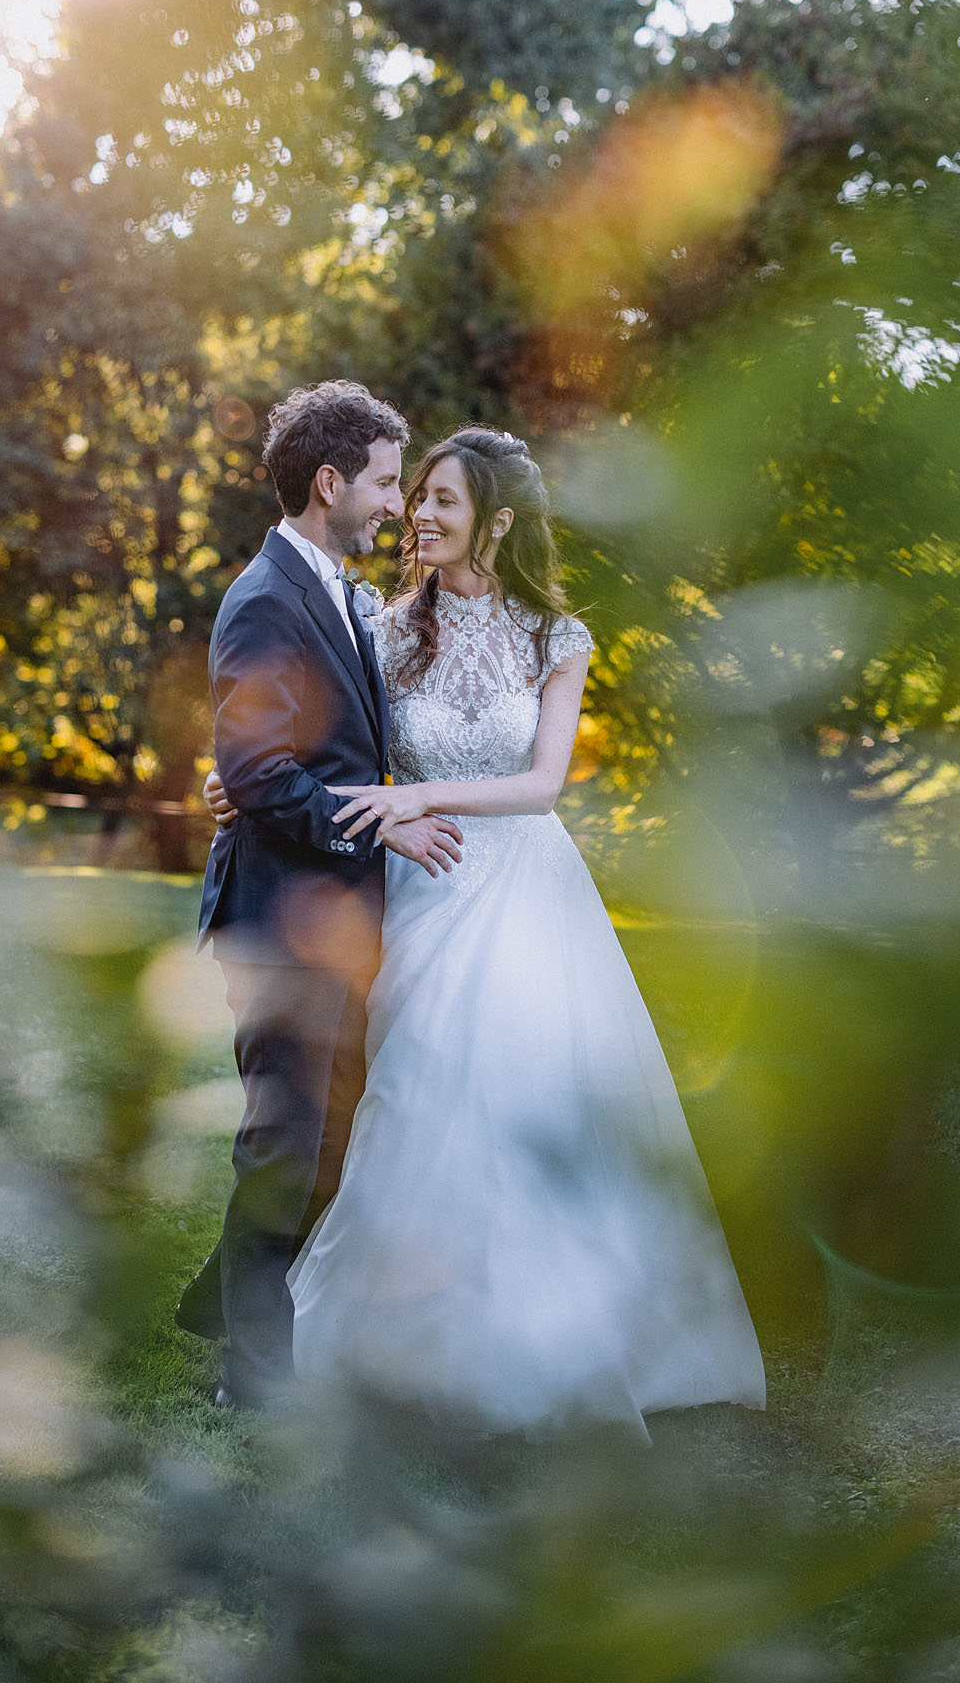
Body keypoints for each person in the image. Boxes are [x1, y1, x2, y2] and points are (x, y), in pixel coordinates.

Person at [212, 424, 765, 1436]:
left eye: (442, 500)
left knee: (526, 1089)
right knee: (406, 1094)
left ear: (497, 523)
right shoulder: (381, 626)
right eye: (413, 493)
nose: (417, 514)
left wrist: (413, 797)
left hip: (522, 888)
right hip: (412, 887)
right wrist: (238, 782)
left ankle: (543, 1337)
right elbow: (313, 740)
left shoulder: (558, 637)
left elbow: (543, 783)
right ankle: (393, 1334)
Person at [176, 382, 464, 1410]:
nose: (395, 502)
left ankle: (225, 1304)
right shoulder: (263, 598)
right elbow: (258, 770)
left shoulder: (339, 592)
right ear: (330, 483)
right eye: (386, 481)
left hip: (335, 920)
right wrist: (380, 821)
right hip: (277, 922)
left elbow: (301, 754)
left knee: (328, 1147)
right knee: (286, 1144)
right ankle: (251, 1380)